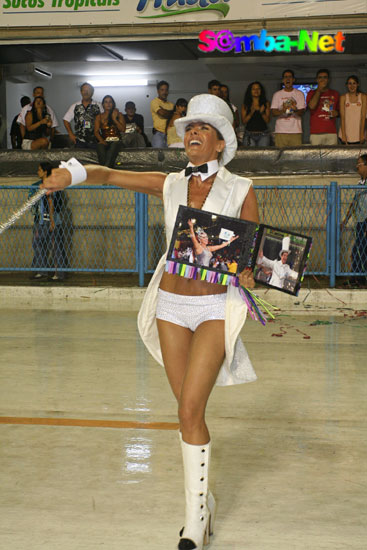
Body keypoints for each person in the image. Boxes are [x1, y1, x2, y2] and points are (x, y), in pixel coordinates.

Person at [43, 93, 259, 550]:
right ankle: (207, 503)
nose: (192, 134)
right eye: (188, 129)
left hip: (215, 308)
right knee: (187, 411)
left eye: (203, 128)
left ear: (221, 143)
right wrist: (71, 174)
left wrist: (249, 271)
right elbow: (107, 173)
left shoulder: (242, 188)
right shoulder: (169, 183)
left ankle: (194, 520)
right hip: (170, 306)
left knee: (187, 411)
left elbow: (254, 255)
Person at [29, 162, 67, 281]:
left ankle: (57, 273)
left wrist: (52, 221)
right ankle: (44, 271)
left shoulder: (52, 185)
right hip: (42, 219)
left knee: (55, 246)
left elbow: (52, 203)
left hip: (49, 219)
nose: (38, 172)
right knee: (39, 244)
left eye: (40, 169)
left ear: (45, 171)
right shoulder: (37, 186)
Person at [341, 154, 367, 287]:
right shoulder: (360, 184)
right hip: (360, 222)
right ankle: (356, 278)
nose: (357, 167)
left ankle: (360, 278)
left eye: (359, 164)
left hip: (366, 222)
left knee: (361, 250)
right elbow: (354, 202)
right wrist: (346, 219)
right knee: (357, 250)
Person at [270, 69, 306, 147]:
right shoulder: (277, 94)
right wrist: (283, 110)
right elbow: (273, 113)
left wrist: (294, 110)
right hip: (280, 131)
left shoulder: (299, 94)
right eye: (285, 77)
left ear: (293, 80)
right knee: (280, 156)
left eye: (290, 77)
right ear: (283, 80)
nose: (288, 79)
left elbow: (302, 112)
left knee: (296, 156)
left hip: (295, 131)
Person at [63, 82, 102, 148]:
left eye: (88, 90)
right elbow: (66, 120)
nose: (86, 92)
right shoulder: (75, 106)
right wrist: (70, 134)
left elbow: (105, 118)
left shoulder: (98, 105)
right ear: (81, 92)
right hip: (79, 140)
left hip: (95, 140)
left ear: (92, 92)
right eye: (84, 90)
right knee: (79, 158)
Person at [306, 69, 339, 145]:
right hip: (316, 132)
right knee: (315, 156)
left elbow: (339, 111)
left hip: (331, 132)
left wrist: (336, 113)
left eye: (325, 77)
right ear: (317, 80)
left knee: (332, 156)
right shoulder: (311, 93)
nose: (322, 80)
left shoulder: (335, 93)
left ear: (328, 80)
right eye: (320, 78)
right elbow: (312, 106)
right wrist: (319, 90)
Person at [94, 95, 126, 167]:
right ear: (103, 104)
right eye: (106, 102)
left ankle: (105, 170)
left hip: (117, 141)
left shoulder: (119, 114)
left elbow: (123, 130)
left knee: (114, 146)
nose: (108, 104)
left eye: (110, 102)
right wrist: (101, 141)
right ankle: (106, 170)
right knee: (100, 147)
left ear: (113, 104)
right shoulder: (99, 116)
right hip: (104, 140)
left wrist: (114, 119)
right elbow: (96, 131)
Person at [338, 75, 367, 145]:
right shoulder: (343, 97)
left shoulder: (363, 97)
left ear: (358, 84)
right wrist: (344, 135)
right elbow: (342, 118)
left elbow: (363, 117)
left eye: (354, 83)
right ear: (347, 85)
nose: (352, 86)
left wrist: (362, 134)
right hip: (346, 135)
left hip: (359, 134)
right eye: (349, 83)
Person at [241, 81, 271, 146]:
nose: (256, 91)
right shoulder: (246, 104)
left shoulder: (266, 103)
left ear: (261, 91)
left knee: (264, 155)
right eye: (254, 89)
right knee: (250, 155)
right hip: (249, 134)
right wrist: (251, 113)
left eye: (258, 89)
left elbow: (267, 120)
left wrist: (262, 113)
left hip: (263, 135)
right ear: (250, 91)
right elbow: (244, 121)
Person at [150, 80, 174, 148]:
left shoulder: (171, 104)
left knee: (171, 155)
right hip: (158, 134)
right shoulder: (154, 102)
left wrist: (165, 111)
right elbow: (162, 113)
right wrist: (170, 113)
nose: (164, 92)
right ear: (158, 91)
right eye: (162, 90)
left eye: (166, 90)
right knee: (159, 156)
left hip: (170, 134)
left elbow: (174, 116)